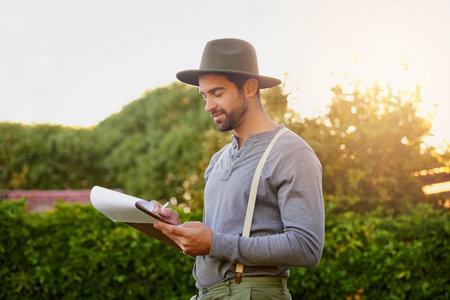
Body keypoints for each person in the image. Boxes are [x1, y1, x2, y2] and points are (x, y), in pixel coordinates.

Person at [152, 38, 324, 299]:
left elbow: (306, 248)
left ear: (250, 88)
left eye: (218, 93)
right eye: (204, 95)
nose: (208, 106)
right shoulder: (218, 160)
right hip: (206, 293)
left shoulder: (291, 152)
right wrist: (178, 231)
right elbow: (218, 243)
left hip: (251, 293)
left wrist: (213, 242)